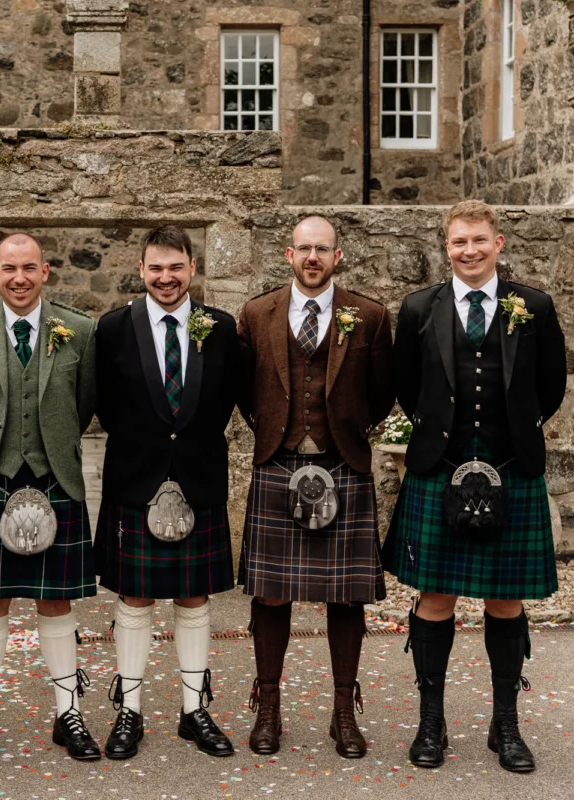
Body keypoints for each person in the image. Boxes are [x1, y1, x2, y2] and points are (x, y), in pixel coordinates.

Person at [383, 199, 566, 773]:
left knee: (505, 600)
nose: (469, 250)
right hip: (441, 467)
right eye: (459, 242)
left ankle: (505, 725)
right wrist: (439, 434)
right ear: (447, 247)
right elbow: (406, 387)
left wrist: (515, 430)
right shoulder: (418, 309)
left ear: (499, 242)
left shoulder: (532, 307)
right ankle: (431, 722)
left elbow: (552, 385)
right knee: (435, 598)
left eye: (479, 240)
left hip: (510, 468)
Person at [237, 216, 395, 759]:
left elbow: (382, 394)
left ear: (338, 255)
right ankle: (270, 709)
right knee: (271, 592)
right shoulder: (257, 314)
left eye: (322, 249)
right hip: (279, 462)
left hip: (343, 462)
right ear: (288, 253)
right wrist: (278, 433)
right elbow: (245, 390)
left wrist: (346, 434)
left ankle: (344, 713)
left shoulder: (369, 316)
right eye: (303, 248)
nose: (312, 257)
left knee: (346, 596)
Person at [0, 232, 99, 769]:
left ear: (46, 271)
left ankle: (68, 713)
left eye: (29, 268)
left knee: (57, 601)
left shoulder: (78, 329)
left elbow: (84, 405)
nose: (19, 279)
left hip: (56, 478)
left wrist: (48, 447)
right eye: (9, 268)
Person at [93, 226, 238, 759]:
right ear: (141, 269)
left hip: (198, 479)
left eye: (175, 267)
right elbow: (103, 405)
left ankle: (194, 711)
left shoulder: (219, 328)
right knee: (134, 598)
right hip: (136, 478)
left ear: (192, 269)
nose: (166, 277)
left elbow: (226, 399)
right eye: (156, 268)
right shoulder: (112, 328)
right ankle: (128, 712)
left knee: (194, 597)